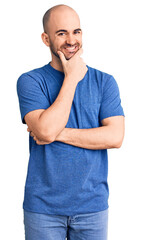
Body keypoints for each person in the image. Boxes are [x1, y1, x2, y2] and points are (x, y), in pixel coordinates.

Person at [16, 4, 125, 240]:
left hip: (92, 207)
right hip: (43, 209)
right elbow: (44, 130)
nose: (71, 40)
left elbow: (115, 137)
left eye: (76, 31)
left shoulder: (105, 82)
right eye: (61, 33)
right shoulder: (30, 81)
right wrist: (72, 77)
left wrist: (56, 133)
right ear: (46, 39)